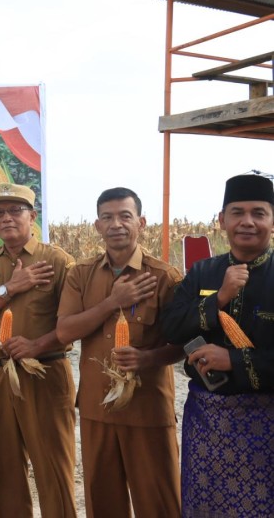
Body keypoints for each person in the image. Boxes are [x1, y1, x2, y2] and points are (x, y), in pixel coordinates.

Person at [56, 187, 183, 518]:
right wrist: (113, 302)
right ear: (97, 226)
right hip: (98, 410)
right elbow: (65, 331)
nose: (116, 224)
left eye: (125, 216)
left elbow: (182, 344)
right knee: (103, 502)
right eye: (107, 217)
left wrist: (147, 359)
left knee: (159, 503)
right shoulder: (80, 274)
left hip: (148, 410)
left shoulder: (163, 277)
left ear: (140, 222)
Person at [0, 184, 76, 518]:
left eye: (15, 211)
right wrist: (11, 287)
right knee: (3, 466)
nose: (6, 218)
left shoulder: (57, 261)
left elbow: (74, 324)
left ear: (32, 216)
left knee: (54, 467)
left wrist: (39, 344)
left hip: (45, 373)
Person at [161, 173, 274, 517]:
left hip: (267, 421)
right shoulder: (202, 272)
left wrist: (234, 360)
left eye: (259, 213)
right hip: (208, 423)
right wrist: (219, 299)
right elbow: (171, 327)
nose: (248, 222)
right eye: (237, 212)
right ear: (222, 220)